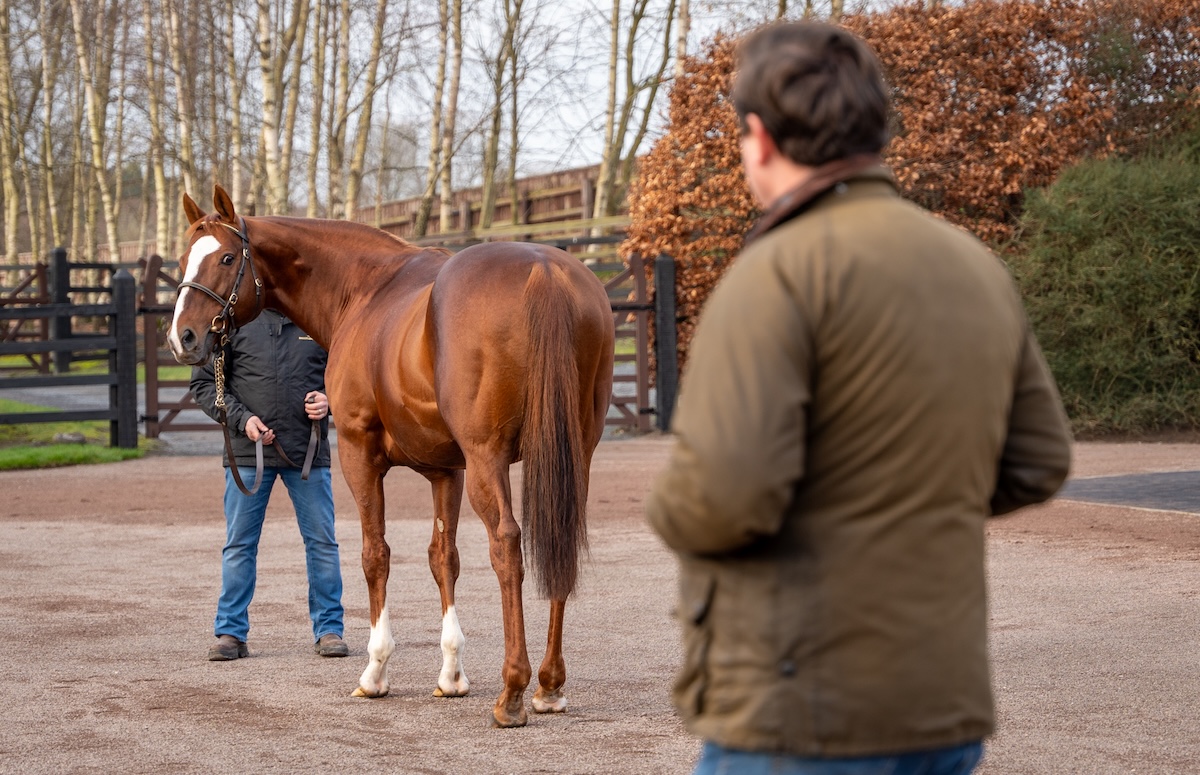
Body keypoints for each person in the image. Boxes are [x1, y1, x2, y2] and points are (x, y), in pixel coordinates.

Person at [645, 21, 1072, 775]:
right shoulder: (975, 267)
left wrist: (670, 504)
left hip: (803, 706)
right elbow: (1039, 458)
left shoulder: (774, 273)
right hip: (942, 704)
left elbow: (723, 497)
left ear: (760, 137)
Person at [190, 309, 349, 661]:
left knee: (322, 543)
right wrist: (242, 420)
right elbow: (204, 384)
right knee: (239, 545)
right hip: (249, 455)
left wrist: (330, 399)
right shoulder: (232, 325)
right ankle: (231, 632)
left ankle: (329, 629)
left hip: (307, 455)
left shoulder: (317, 319)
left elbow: (349, 376)